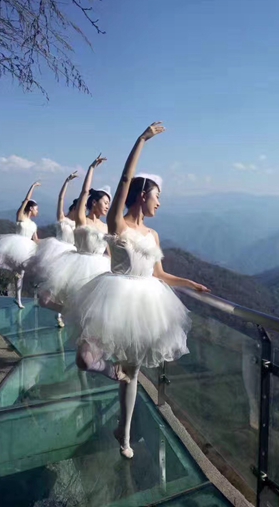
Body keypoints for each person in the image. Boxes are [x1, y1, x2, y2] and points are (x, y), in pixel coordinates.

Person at [68, 122, 210, 458]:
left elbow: (159, 274)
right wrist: (142, 140)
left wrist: (188, 283)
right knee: (85, 359)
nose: (160, 204)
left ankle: (125, 434)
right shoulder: (117, 224)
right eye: (157, 196)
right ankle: (109, 372)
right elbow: (124, 181)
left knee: (132, 373)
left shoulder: (153, 236)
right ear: (143, 195)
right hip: (113, 301)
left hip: (145, 306)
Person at [35, 155, 111, 316]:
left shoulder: (106, 227)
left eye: (108, 204)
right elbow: (84, 192)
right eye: (105, 203)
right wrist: (91, 169)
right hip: (80, 267)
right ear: (94, 203)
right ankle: (68, 313)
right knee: (72, 304)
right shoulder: (82, 220)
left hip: (101, 268)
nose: (107, 207)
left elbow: (110, 252)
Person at [30, 172, 78, 327]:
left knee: (65, 287)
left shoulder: (79, 225)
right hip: (57, 254)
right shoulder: (62, 219)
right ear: (74, 208)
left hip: (71, 256)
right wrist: (67, 182)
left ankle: (62, 315)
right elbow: (60, 199)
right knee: (54, 285)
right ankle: (60, 311)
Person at [0, 181, 40, 308]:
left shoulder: (34, 225)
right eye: (36, 209)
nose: (37, 211)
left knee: (22, 274)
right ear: (31, 208)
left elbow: (36, 239)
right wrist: (32, 187)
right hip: (17, 245)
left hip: (28, 248)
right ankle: (18, 297)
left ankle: (18, 298)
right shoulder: (21, 217)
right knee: (17, 272)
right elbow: (26, 200)